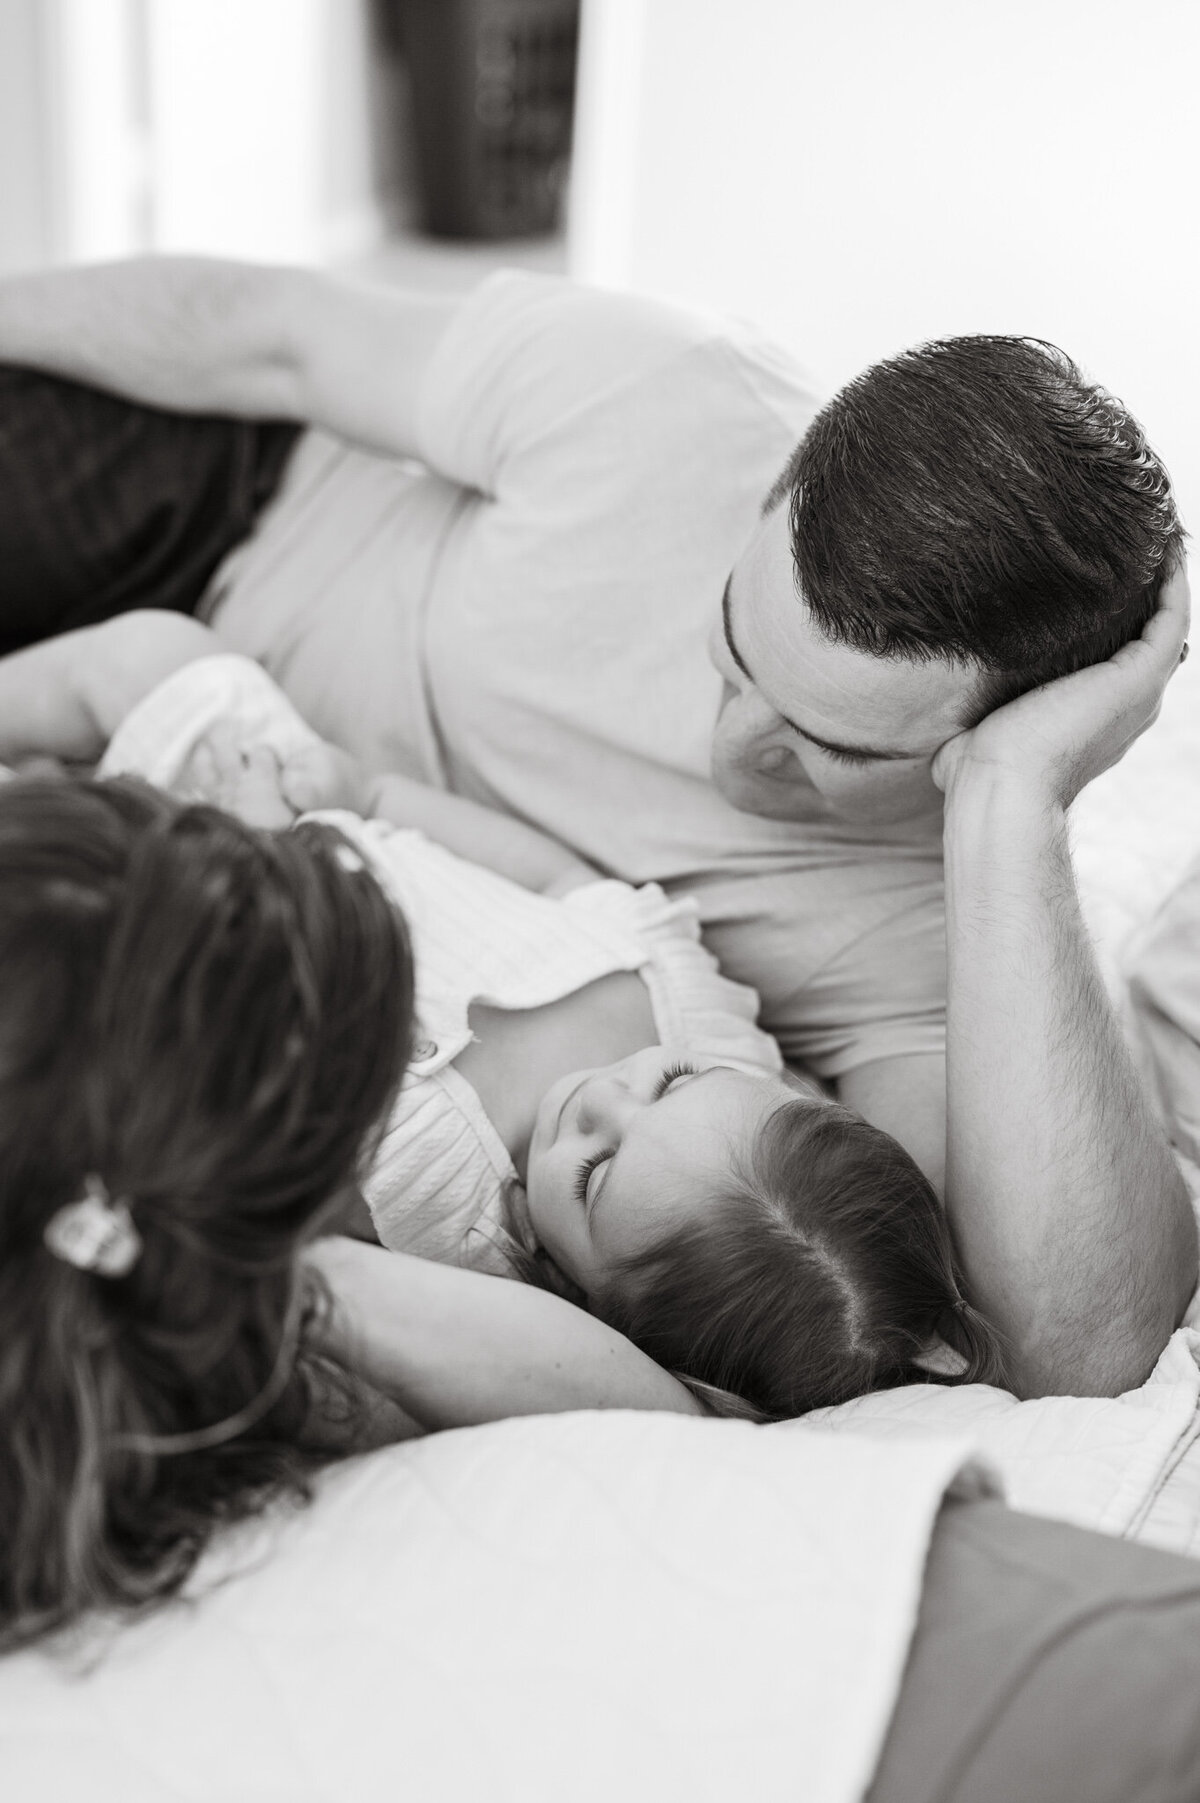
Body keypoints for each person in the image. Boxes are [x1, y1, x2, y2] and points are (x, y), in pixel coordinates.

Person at [0, 257, 1191, 1398]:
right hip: (227, 519)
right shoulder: (673, 391)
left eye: (831, 751)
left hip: (176, 849)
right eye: (734, 653)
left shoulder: (936, 947)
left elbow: (1082, 1346)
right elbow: (269, 335)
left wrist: (1013, 801)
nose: (732, 756)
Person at [0, 609, 1000, 1438]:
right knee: (153, 656)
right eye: (672, 1084)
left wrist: (253, 849)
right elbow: (560, 880)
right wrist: (371, 793)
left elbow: (220, 1067)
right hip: (298, 806)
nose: (602, 1097)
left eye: (595, 1172)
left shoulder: (445, 1234)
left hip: (210, 919)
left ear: (574, 1284)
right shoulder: (702, 1021)